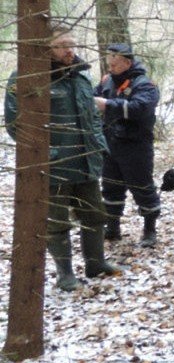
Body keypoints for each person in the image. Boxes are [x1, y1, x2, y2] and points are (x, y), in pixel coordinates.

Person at [4, 25, 122, 291]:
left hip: (86, 160)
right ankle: (65, 274)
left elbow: (92, 116)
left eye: (72, 44)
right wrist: (46, 154)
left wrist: (99, 146)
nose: (69, 50)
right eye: (61, 45)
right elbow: (16, 124)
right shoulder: (28, 77)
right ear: (46, 48)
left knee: (95, 216)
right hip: (54, 166)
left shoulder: (80, 76)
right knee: (57, 222)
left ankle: (96, 263)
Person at [94, 43, 161, 248]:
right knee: (110, 187)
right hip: (111, 144)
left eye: (115, 62)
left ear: (127, 62)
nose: (110, 65)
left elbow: (139, 108)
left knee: (142, 188)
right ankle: (112, 228)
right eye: (109, 61)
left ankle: (150, 230)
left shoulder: (145, 85)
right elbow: (91, 96)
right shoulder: (107, 81)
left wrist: (107, 105)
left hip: (136, 147)